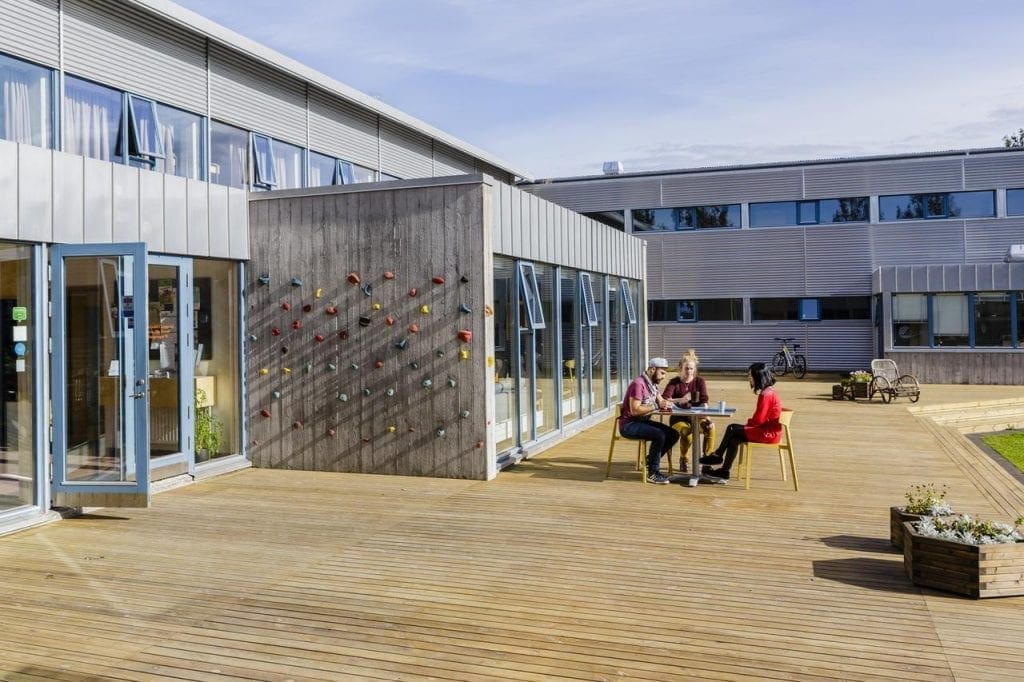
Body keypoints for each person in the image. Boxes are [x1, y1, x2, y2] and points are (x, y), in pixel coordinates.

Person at [700, 361, 781, 481]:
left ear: (758, 377)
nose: (749, 378)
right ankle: (724, 471)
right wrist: (747, 426)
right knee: (734, 439)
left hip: (767, 433)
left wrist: (747, 425)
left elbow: (758, 420)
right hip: (768, 431)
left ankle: (718, 455)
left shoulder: (766, 395)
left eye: (750, 376)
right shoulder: (770, 391)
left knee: (732, 428)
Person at [619, 357, 678, 484]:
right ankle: (653, 473)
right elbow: (635, 410)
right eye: (662, 373)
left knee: (673, 434)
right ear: (652, 369)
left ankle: (649, 460)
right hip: (629, 425)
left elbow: (661, 400)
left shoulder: (652, 385)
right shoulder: (638, 384)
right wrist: (657, 406)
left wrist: (669, 403)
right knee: (659, 435)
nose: (663, 377)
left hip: (642, 422)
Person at [661, 350, 716, 469]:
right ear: (681, 368)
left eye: (691, 369)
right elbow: (664, 399)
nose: (689, 371)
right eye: (686, 368)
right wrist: (681, 400)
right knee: (687, 432)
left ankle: (707, 461)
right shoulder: (674, 382)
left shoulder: (699, 381)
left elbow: (704, 401)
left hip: (697, 417)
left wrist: (708, 418)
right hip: (678, 419)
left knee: (710, 428)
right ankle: (684, 459)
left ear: (694, 369)